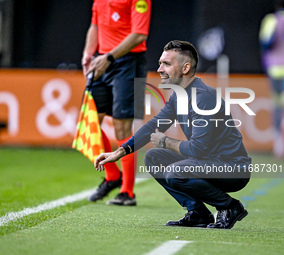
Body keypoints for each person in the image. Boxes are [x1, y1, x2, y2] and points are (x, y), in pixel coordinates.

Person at [94, 40, 251, 229]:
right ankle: (198, 213)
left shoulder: (203, 98)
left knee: (176, 172)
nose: (160, 69)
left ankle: (230, 206)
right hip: (211, 162)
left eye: (166, 64)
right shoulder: (179, 95)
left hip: (232, 169)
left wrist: (166, 141)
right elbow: (154, 125)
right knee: (153, 157)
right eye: (161, 63)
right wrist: (119, 152)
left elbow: (197, 150)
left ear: (185, 68)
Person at [81, 0, 151, 206]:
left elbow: (140, 34)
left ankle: (127, 192)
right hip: (103, 61)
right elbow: (95, 25)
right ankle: (113, 176)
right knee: (89, 121)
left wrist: (109, 57)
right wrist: (88, 54)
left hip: (129, 62)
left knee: (122, 126)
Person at [259, 0, 284, 158]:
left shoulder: (271, 20)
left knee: (277, 106)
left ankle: (279, 144)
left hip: (275, 68)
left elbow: (266, 42)